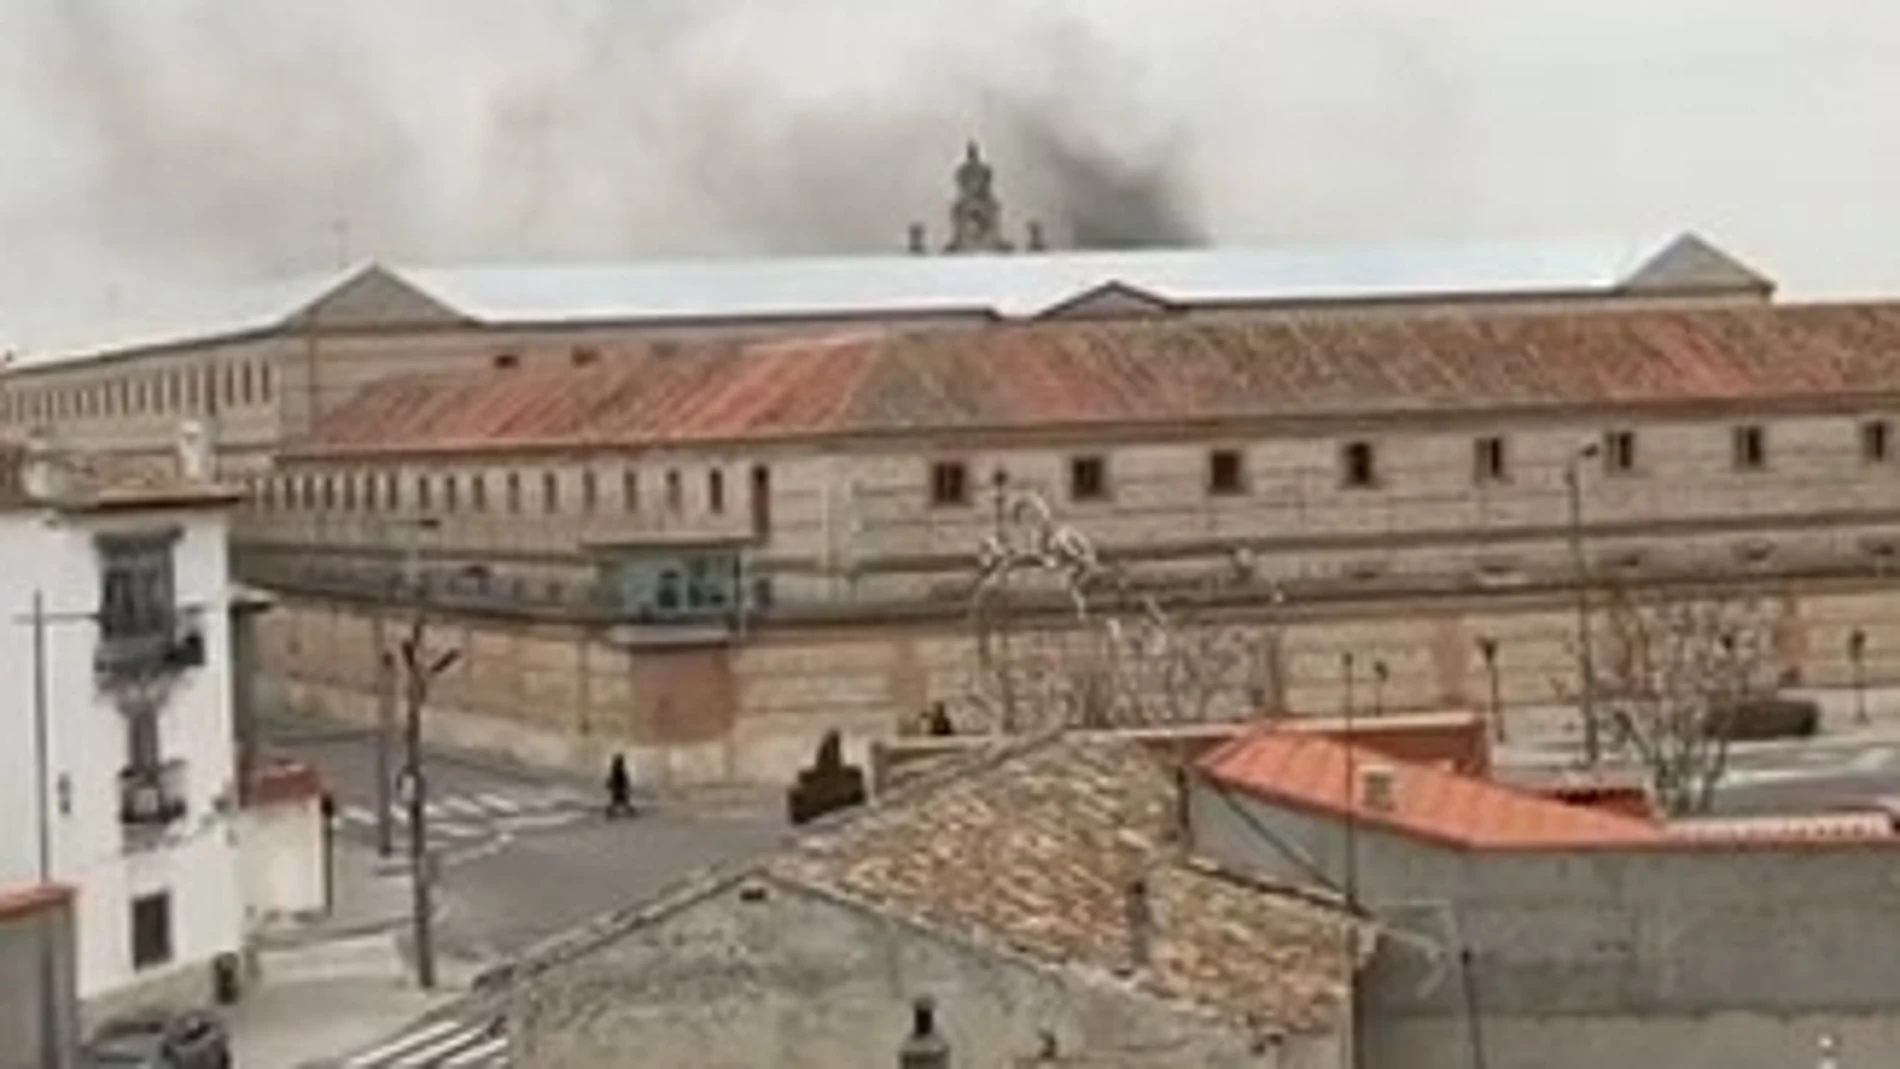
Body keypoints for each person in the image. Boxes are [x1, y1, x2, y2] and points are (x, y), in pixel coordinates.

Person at [605, 753, 635, 819]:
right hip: (619, 790)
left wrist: (610, 785)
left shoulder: (617, 771)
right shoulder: (618, 771)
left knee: (619, 802)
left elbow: (612, 780)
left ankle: (609, 813)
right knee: (622, 803)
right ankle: (632, 813)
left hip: (618, 790)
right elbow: (623, 780)